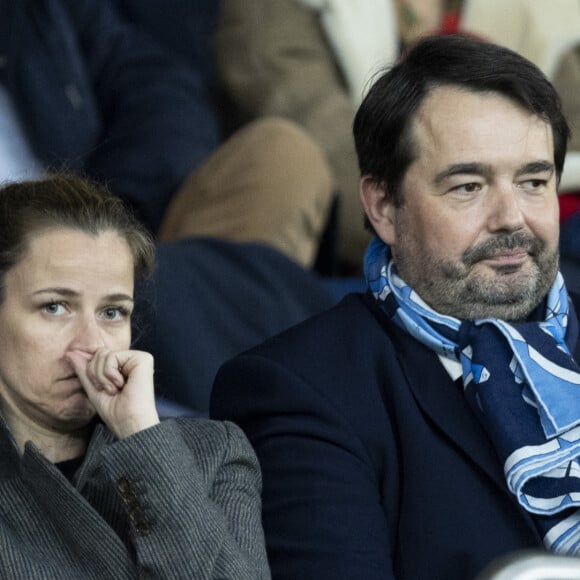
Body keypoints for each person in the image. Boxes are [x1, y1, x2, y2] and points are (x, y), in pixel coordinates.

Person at [211, 35, 580, 579]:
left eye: (533, 181)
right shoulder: (299, 390)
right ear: (383, 206)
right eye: (468, 186)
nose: (511, 217)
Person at [1, 0, 337, 414]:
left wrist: (116, 212)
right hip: (25, 274)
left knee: (284, 159)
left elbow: (157, 85)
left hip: (120, 227)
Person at [0, 174, 270, 579]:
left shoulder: (213, 455)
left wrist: (143, 438)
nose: (91, 343)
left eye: (112, 312)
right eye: (55, 307)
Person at [215, 0, 453, 271]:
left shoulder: (405, 26)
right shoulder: (271, 14)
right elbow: (333, 150)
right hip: (311, 255)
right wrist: (448, 231)